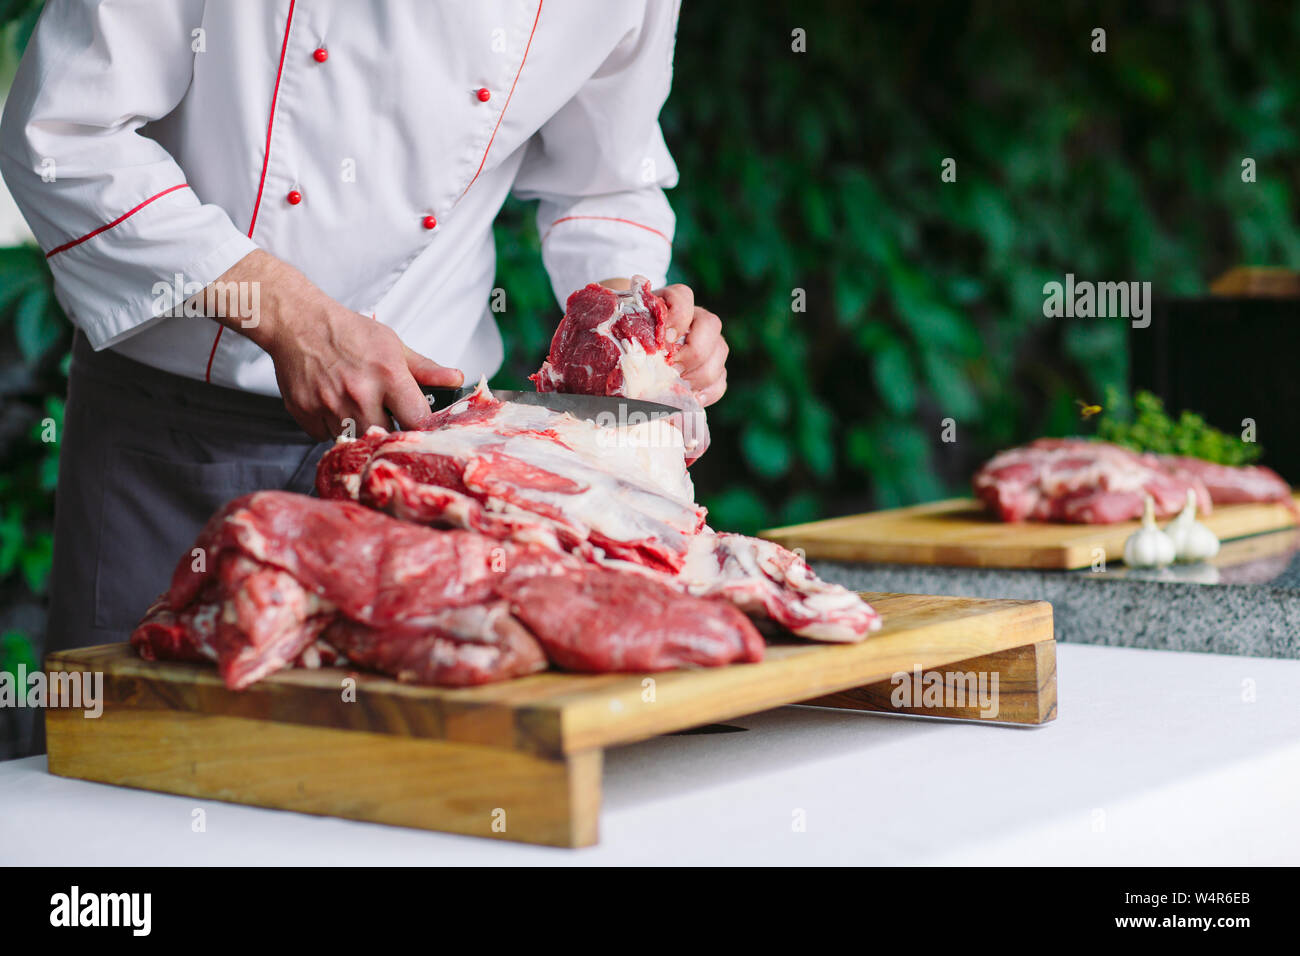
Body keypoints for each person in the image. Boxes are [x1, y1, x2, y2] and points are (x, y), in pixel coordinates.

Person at [0, 0, 729, 670]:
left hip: (433, 464)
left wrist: (638, 333)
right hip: (174, 448)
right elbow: (63, 137)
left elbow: (605, 182)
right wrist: (290, 315)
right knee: (131, 770)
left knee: (392, 779)